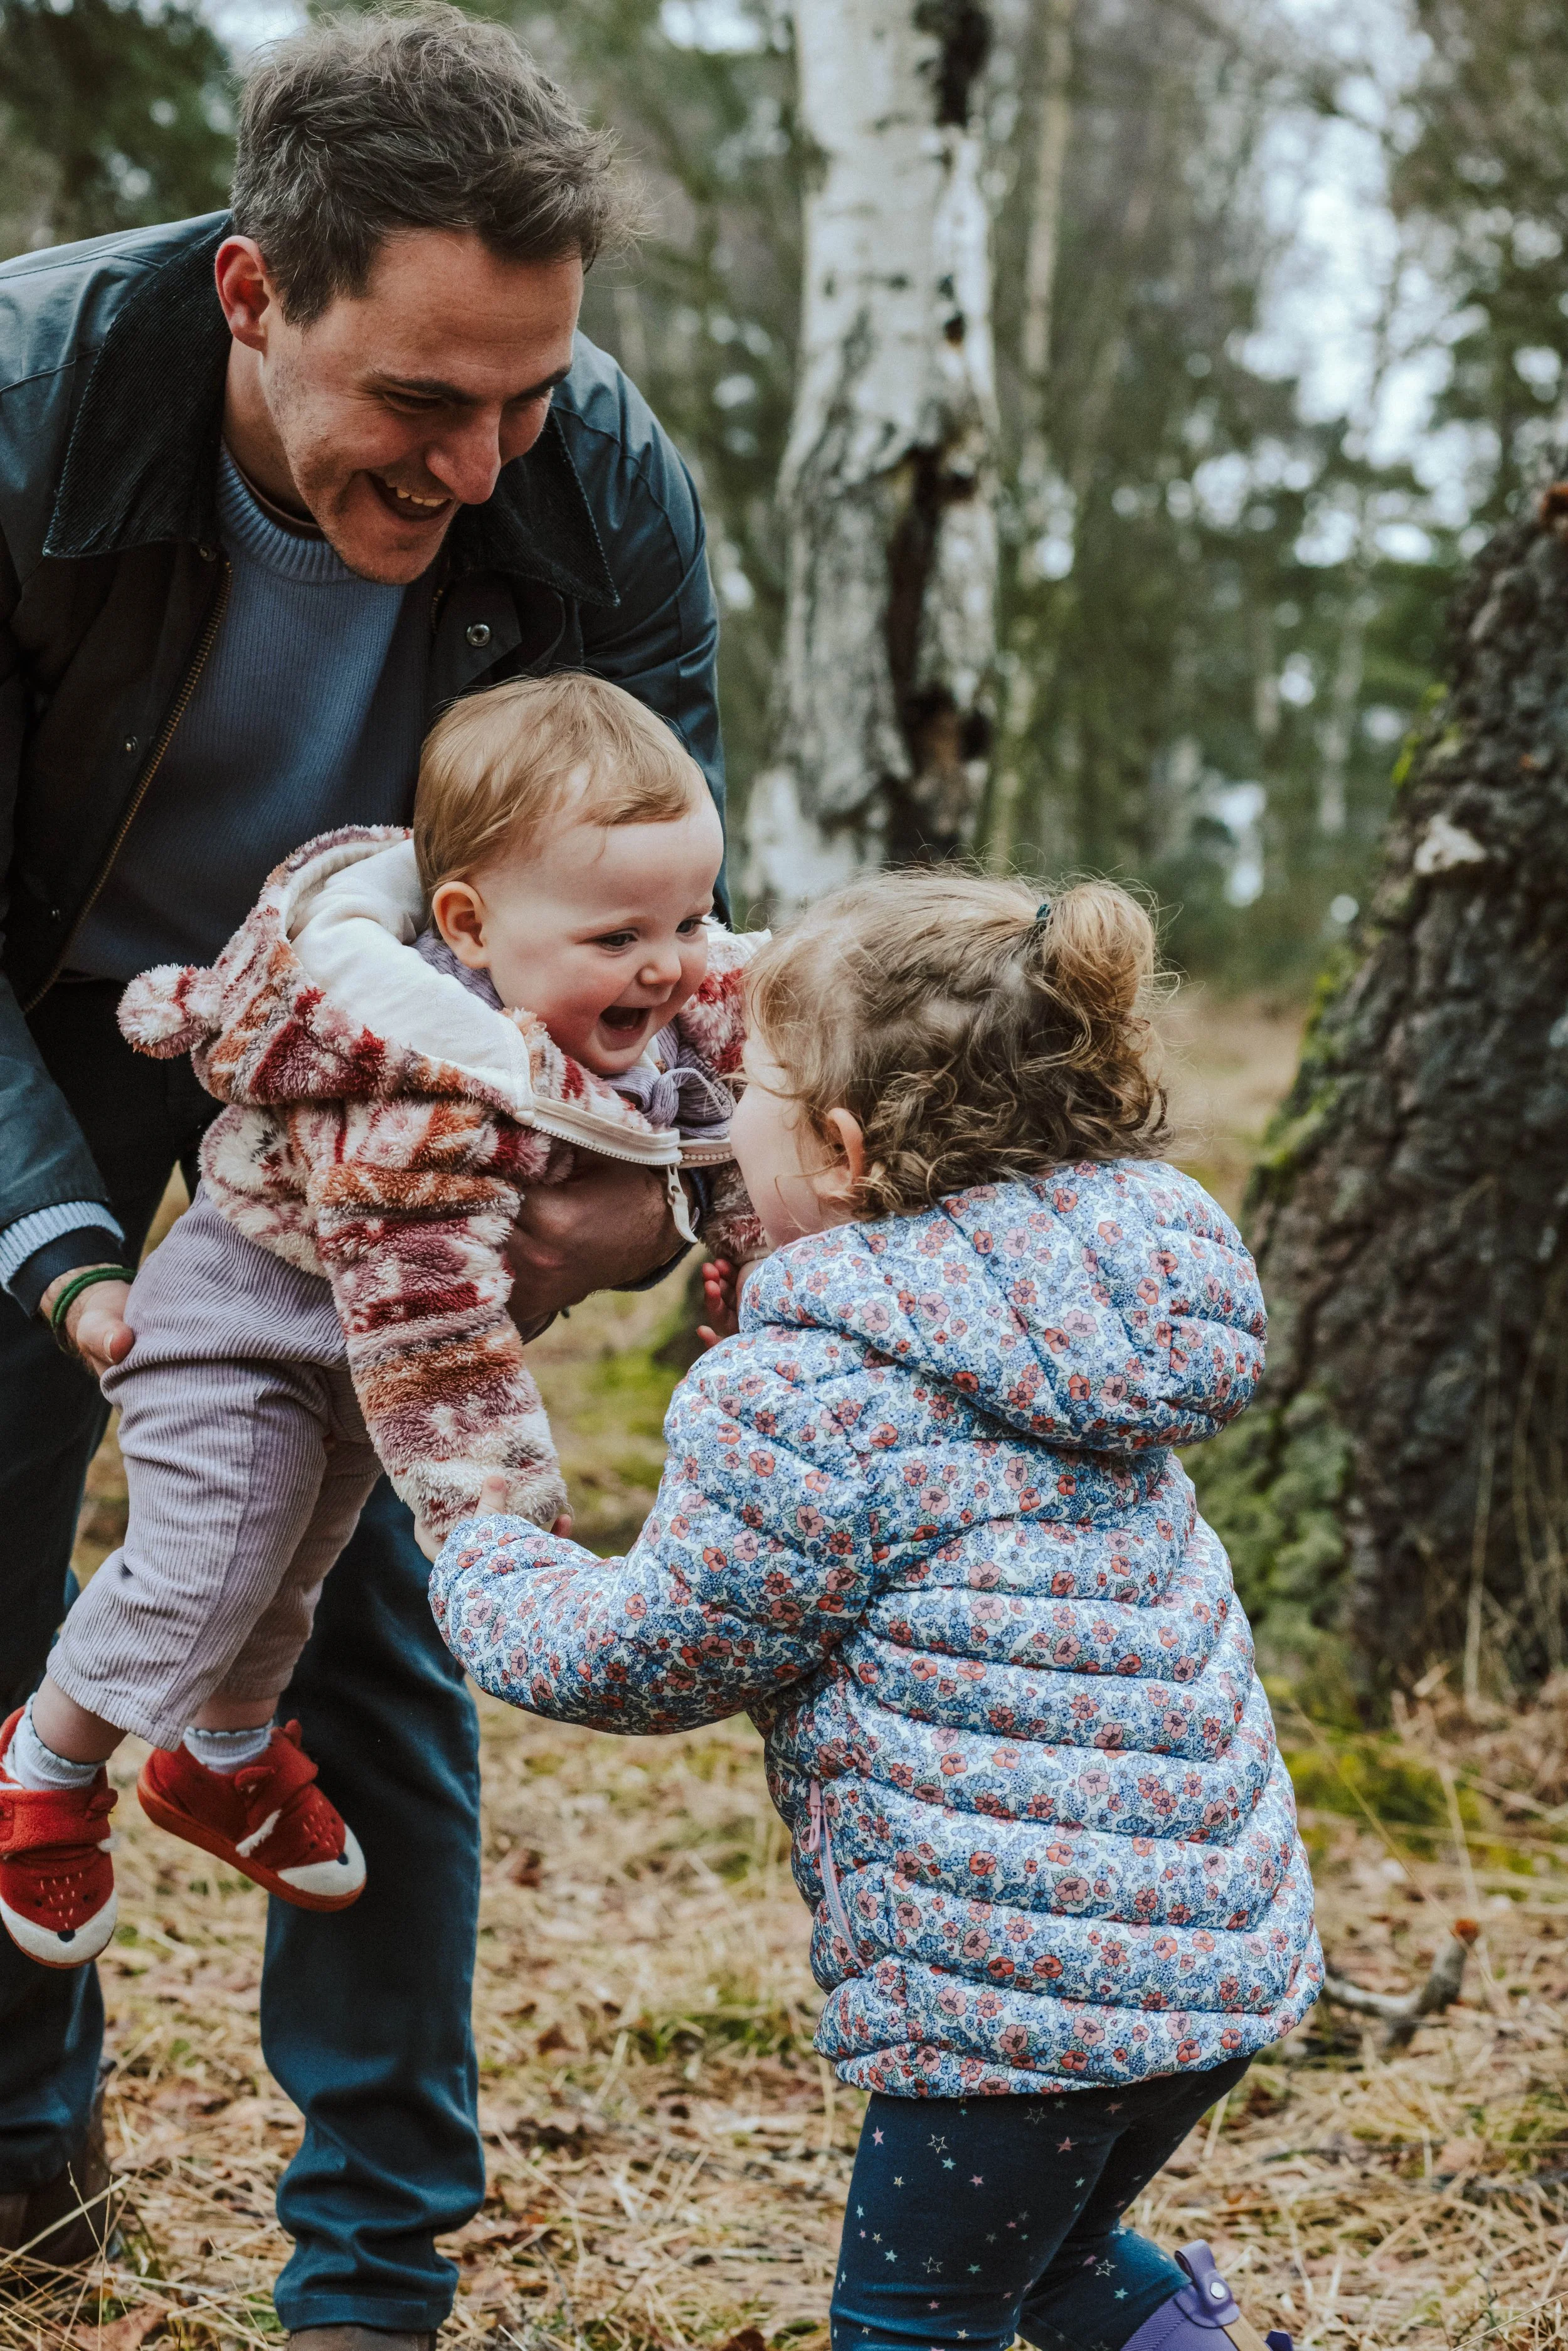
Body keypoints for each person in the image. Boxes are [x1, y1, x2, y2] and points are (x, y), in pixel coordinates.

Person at [0, 11, 724, 2333]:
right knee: (15, 1594)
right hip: (62, 1026)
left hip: (380, 1079)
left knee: (391, 1601)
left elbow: (657, 902)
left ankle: (374, 2262)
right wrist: (61, 1250)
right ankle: (28, 2172)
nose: (484, 459)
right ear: (251, 294)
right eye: (424, 401)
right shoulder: (20, 416)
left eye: (527, 391)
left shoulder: (596, 481)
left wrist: (642, 1179)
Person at [426, 871, 1320, 2351]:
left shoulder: (806, 1391)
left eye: (753, 1091)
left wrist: (486, 1552)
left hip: (1003, 2006)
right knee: (1049, 2263)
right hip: (1215, 1955)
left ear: (838, 1149)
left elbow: (652, 1653)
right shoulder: (1099, 1308)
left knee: (911, 2322)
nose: (728, 1116)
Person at [1, 674, 761, 1964]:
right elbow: (433, 1342)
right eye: (622, 932)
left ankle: (220, 1758)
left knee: (293, 1565)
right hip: (241, 1335)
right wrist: (495, 1532)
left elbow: (731, 1093)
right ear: (466, 922)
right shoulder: (414, 1092)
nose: (669, 961)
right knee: (209, 1564)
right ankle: (45, 1765)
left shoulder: (619, 988)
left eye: (690, 914)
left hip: (345, 1356)